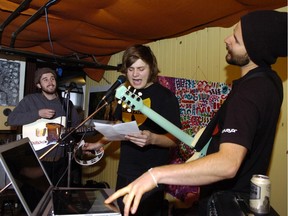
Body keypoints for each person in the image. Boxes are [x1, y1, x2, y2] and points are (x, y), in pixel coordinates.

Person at [104, 10, 287, 216]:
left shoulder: (249, 92)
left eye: (235, 39)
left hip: (227, 203)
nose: (227, 40)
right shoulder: (270, 83)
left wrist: (155, 175)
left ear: (255, 49)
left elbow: (228, 164)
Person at [82, 44, 182, 215]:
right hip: (125, 172)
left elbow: (175, 139)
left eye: (141, 68)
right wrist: (99, 143)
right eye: (131, 69)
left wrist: (152, 139)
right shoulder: (125, 94)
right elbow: (119, 126)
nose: (135, 74)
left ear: (151, 68)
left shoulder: (166, 97)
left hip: (152, 175)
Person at [8, 67, 81, 186]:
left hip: (61, 161)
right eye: (45, 79)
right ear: (38, 85)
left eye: (52, 78)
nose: (50, 82)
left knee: (59, 198)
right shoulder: (30, 100)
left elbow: (77, 126)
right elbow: (11, 119)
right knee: (37, 199)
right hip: (37, 160)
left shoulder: (66, 103)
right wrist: (38, 114)